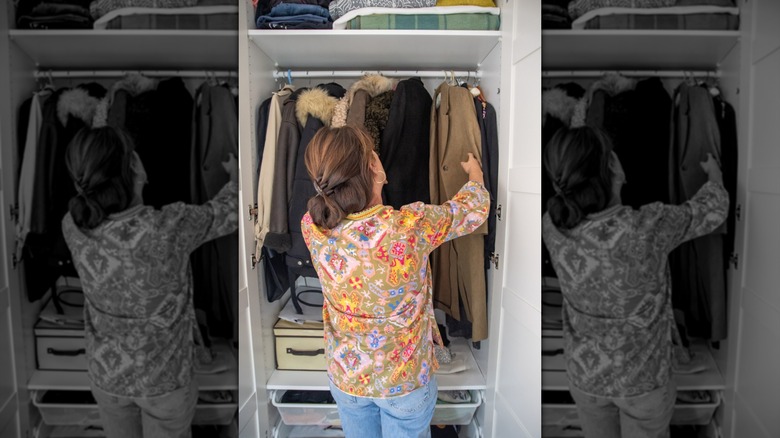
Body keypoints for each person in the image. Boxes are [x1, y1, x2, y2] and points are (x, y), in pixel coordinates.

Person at [300, 126, 489, 438]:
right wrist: (475, 174)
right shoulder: (409, 227)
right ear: (374, 168)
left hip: (347, 378)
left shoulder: (312, 227)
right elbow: (472, 210)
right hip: (405, 381)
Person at [541, 126, 729, 438]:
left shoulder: (551, 226)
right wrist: (715, 175)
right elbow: (712, 210)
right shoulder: (648, 226)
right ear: (612, 167)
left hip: (585, 377)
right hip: (644, 380)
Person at [61, 126, 238, 438]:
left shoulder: (72, 225)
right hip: (164, 380)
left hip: (107, 375)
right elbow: (230, 212)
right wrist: (237, 177)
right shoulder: (168, 226)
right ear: (134, 167)